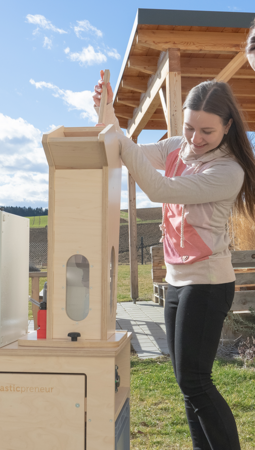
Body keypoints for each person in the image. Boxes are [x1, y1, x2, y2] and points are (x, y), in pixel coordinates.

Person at [93, 74, 255, 450]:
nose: (195, 139)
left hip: (208, 283)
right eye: (190, 128)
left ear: (228, 126)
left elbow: (158, 187)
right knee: (187, 384)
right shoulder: (178, 148)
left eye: (207, 132)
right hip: (177, 281)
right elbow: (126, 152)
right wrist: (107, 115)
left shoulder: (227, 171)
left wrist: (116, 128)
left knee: (196, 381)